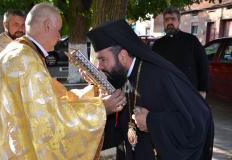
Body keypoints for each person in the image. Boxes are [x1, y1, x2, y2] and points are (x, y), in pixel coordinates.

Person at [0, 3, 126, 160]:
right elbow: (49, 123)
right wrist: (101, 108)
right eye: (58, 30)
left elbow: (56, 96)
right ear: (47, 26)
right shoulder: (26, 60)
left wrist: (93, 91)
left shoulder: (17, 52)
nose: (59, 37)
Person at [87, 19, 214, 160]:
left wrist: (151, 121)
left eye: (103, 59)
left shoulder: (161, 76)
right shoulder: (123, 76)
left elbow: (200, 119)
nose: (99, 66)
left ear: (122, 56)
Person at [152, 6, 209, 99]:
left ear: (178, 21)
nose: (170, 22)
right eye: (166, 19)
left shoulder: (192, 41)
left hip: (188, 92)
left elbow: (203, 65)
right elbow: (153, 69)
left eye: (173, 19)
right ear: (163, 23)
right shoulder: (157, 45)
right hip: (165, 93)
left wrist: (202, 90)